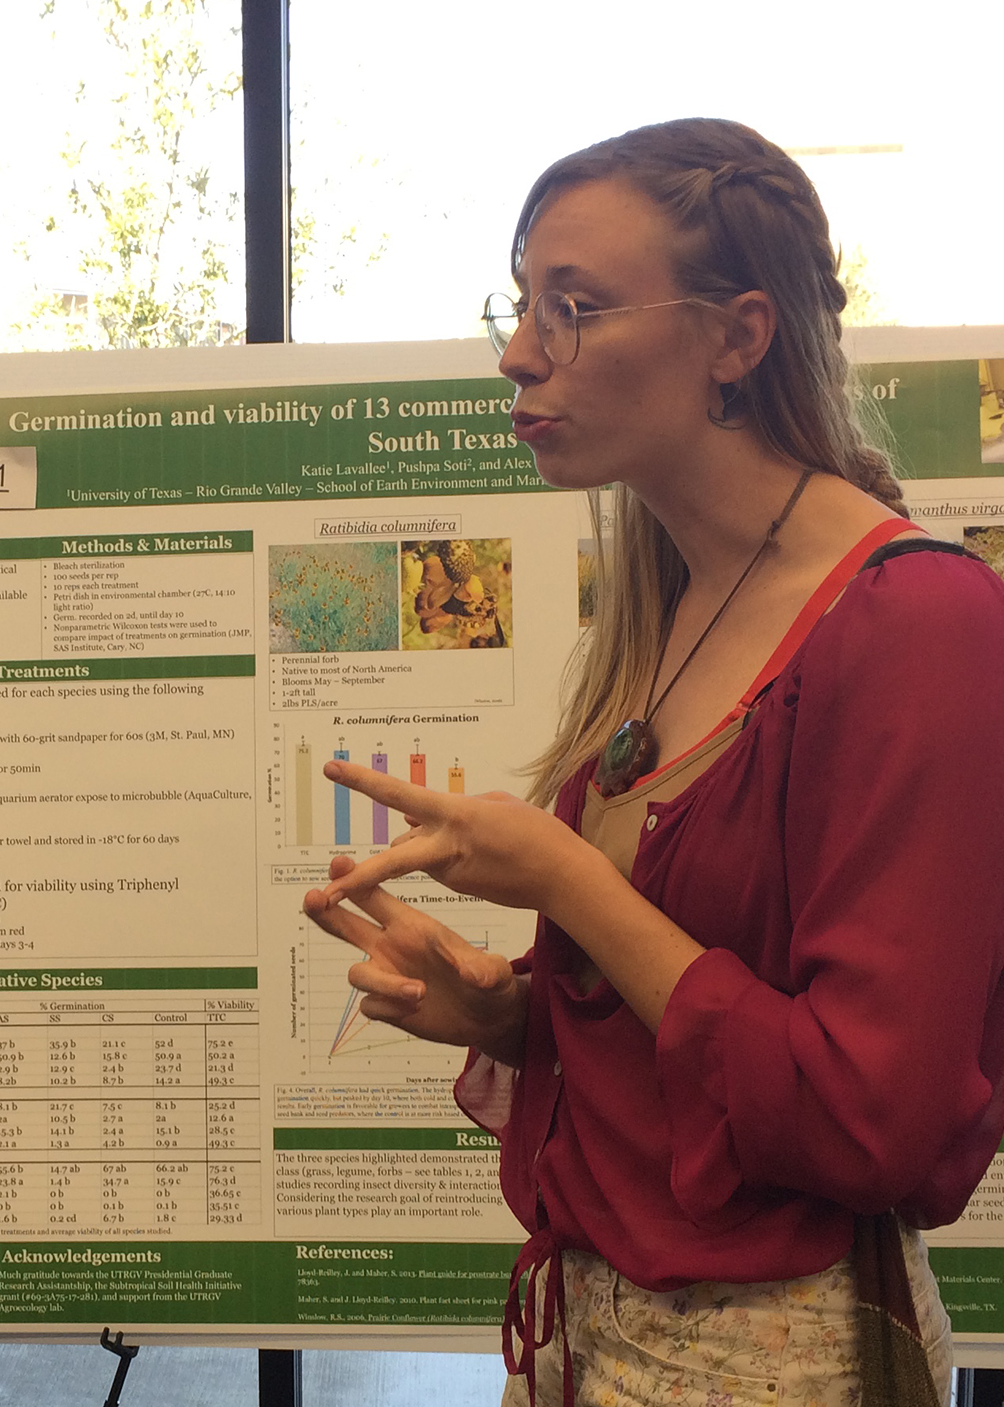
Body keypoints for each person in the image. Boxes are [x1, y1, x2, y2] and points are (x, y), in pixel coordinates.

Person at [304, 118, 1004, 1406]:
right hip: (586, 1318)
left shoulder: (918, 625)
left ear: (739, 338)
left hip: (765, 1354)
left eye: (572, 308)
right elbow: (689, 1012)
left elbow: (872, 1120)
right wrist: (511, 1015)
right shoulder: (666, 596)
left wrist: (570, 882)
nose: (518, 356)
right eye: (518, 304)